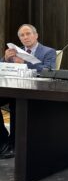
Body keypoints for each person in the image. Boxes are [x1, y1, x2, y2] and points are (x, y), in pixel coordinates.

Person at [0, 24, 56, 159]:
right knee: (14, 101)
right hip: (14, 89)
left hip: (36, 91)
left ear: (36, 35)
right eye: (22, 35)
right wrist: (5, 59)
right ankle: (4, 142)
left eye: (28, 34)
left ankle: (15, 143)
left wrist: (25, 63)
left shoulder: (48, 51)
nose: (25, 37)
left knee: (16, 104)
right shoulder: (15, 52)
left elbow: (49, 71)